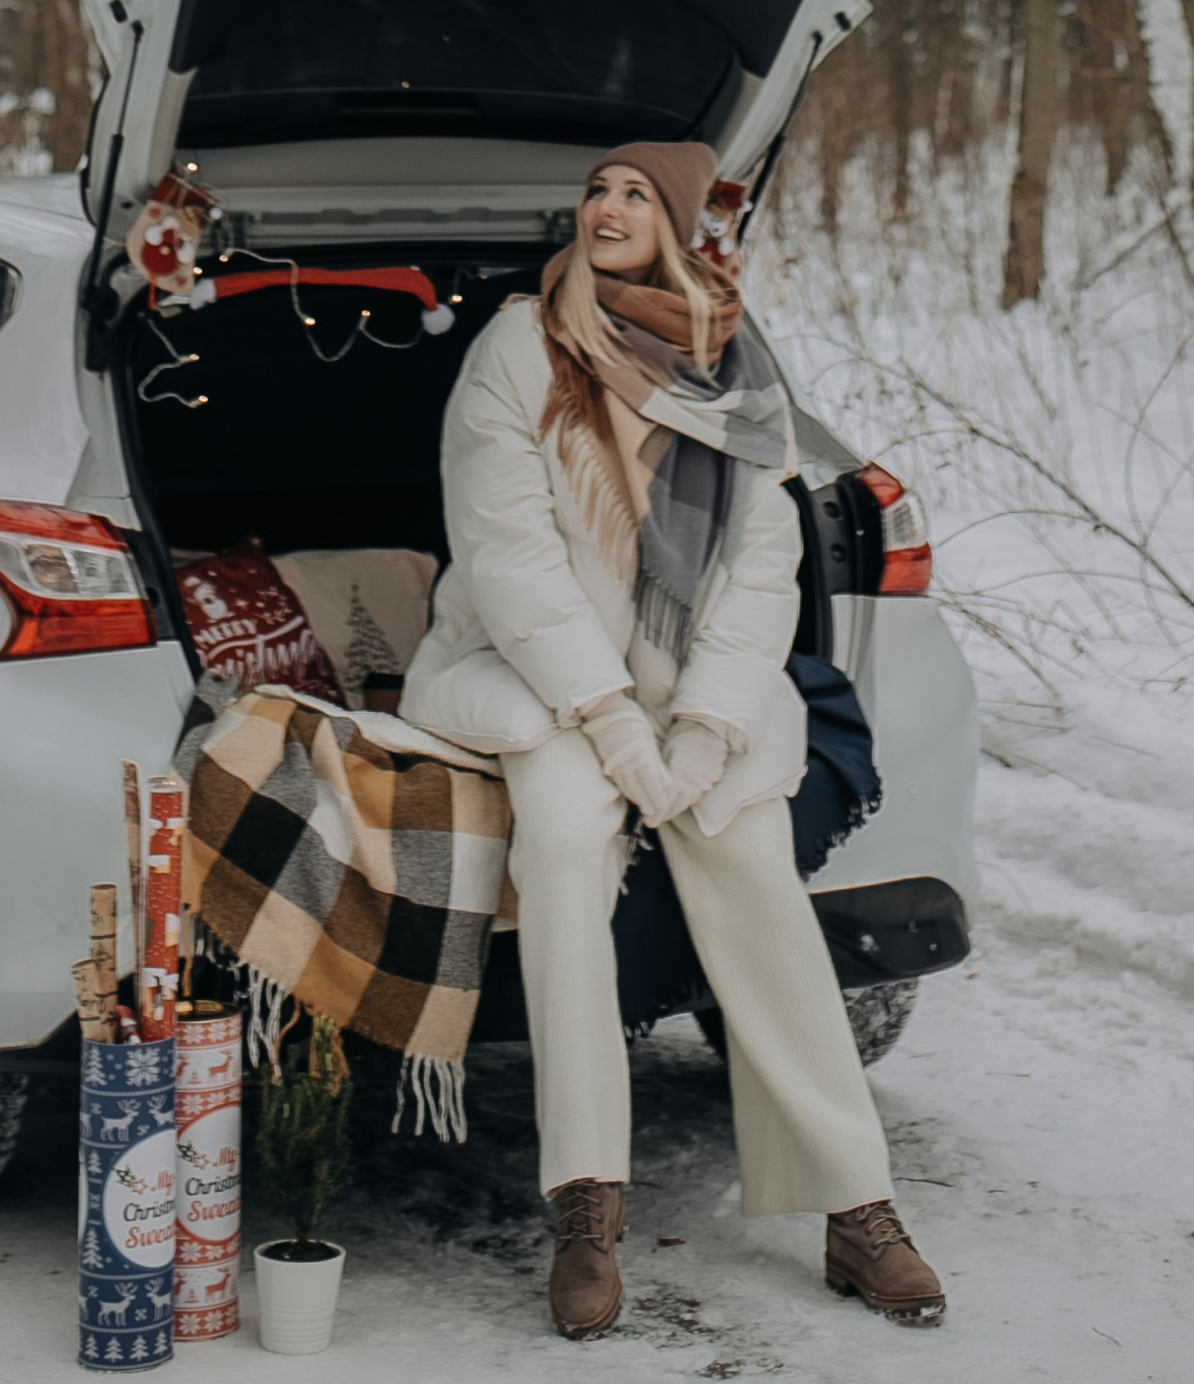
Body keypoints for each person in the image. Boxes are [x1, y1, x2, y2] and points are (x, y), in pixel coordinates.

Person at [402, 135, 948, 1339]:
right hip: (539, 678)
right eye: (596, 189)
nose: (604, 206)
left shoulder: (737, 361)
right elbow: (510, 558)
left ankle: (858, 1210)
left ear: (683, 223)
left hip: (698, 689)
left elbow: (766, 562)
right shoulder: (516, 347)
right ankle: (586, 1207)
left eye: (634, 194)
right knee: (555, 849)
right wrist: (608, 721)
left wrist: (702, 731)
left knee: (748, 866)